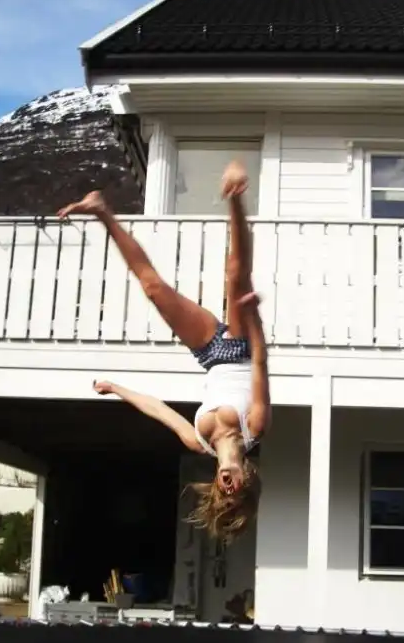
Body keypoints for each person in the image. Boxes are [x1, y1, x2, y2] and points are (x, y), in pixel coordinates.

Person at [57, 162, 271, 543]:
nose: (228, 488)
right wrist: (252, 315)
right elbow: (260, 362)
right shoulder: (254, 426)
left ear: (216, 486)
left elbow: (158, 409)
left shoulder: (198, 441)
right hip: (241, 348)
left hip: (210, 353)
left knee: (153, 289)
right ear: (247, 479)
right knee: (236, 278)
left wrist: (116, 388)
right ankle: (236, 197)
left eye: (223, 495)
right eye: (236, 492)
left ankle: (102, 211)